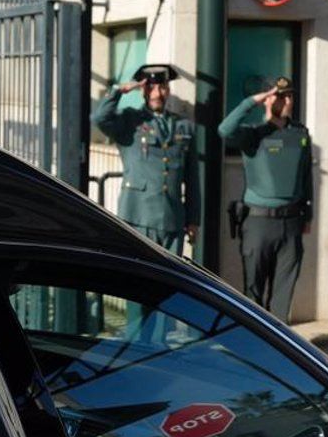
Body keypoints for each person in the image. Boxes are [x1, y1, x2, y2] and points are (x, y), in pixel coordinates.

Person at [221, 76, 314, 322]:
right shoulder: (253, 134)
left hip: (291, 222)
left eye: (290, 96)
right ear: (267, 99)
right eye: (280, 95)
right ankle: (254, 351)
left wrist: (308, 214)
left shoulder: (300, 133)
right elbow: (224, 129)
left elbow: (306, 176)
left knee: (283, 296)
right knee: (254, 293)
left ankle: (278, 351)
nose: (286, 101)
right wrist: (251, 101)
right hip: (259, 223)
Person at [93, 63, 199, 254]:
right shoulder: (130, 121)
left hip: (172, 220)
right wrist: (119, 91)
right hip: (138, 217)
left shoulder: (185, 126)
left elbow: (192, 179)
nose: (157, 93)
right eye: (151, 87)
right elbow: (99, 118)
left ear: (167, 90)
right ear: (143, 89)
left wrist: (193, 220)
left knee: (170, 280)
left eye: (162, 87)